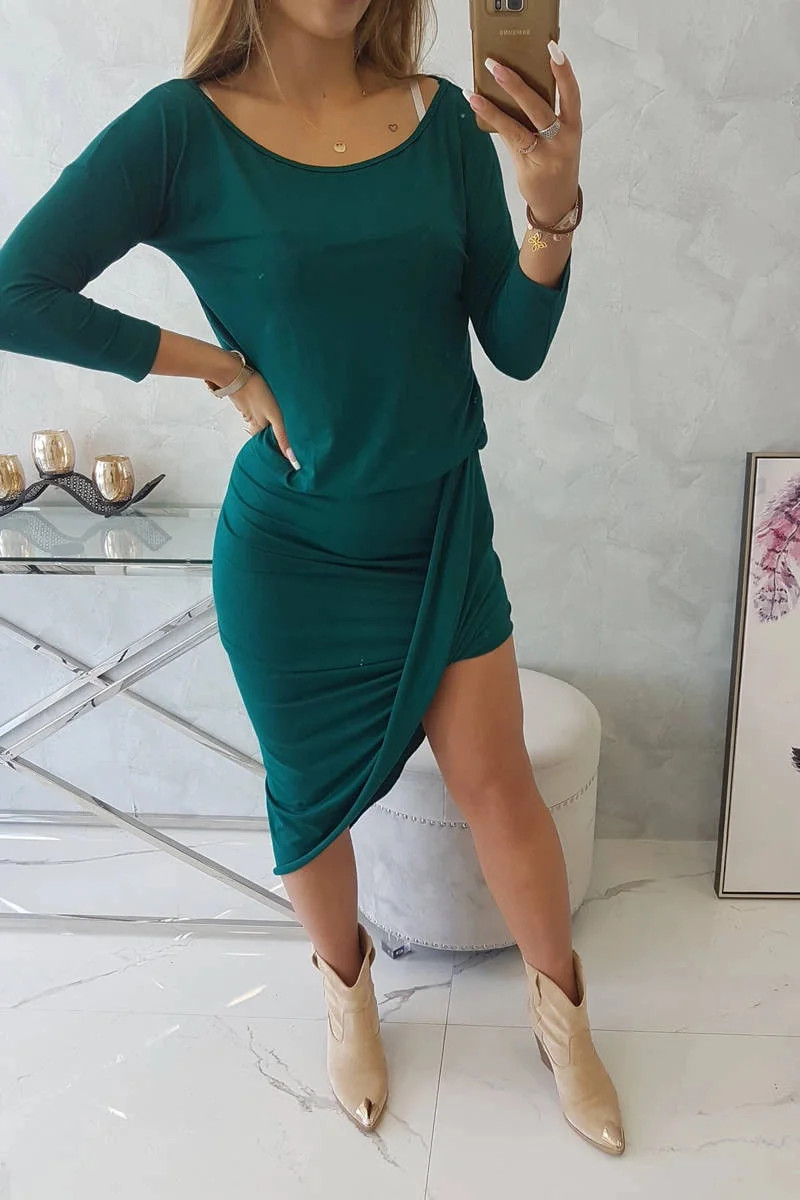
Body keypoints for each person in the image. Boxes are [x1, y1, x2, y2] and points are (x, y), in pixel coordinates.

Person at [0, 0, 624, 1153]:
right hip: (290, 550)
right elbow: (14, 290)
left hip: (438, 526)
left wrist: (549, 206)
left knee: (497, 786)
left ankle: (563, 1017)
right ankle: (346, 994)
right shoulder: (181, 131)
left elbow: (517, 345)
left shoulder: (441, 122)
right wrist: (219, 368)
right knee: (304, 801)